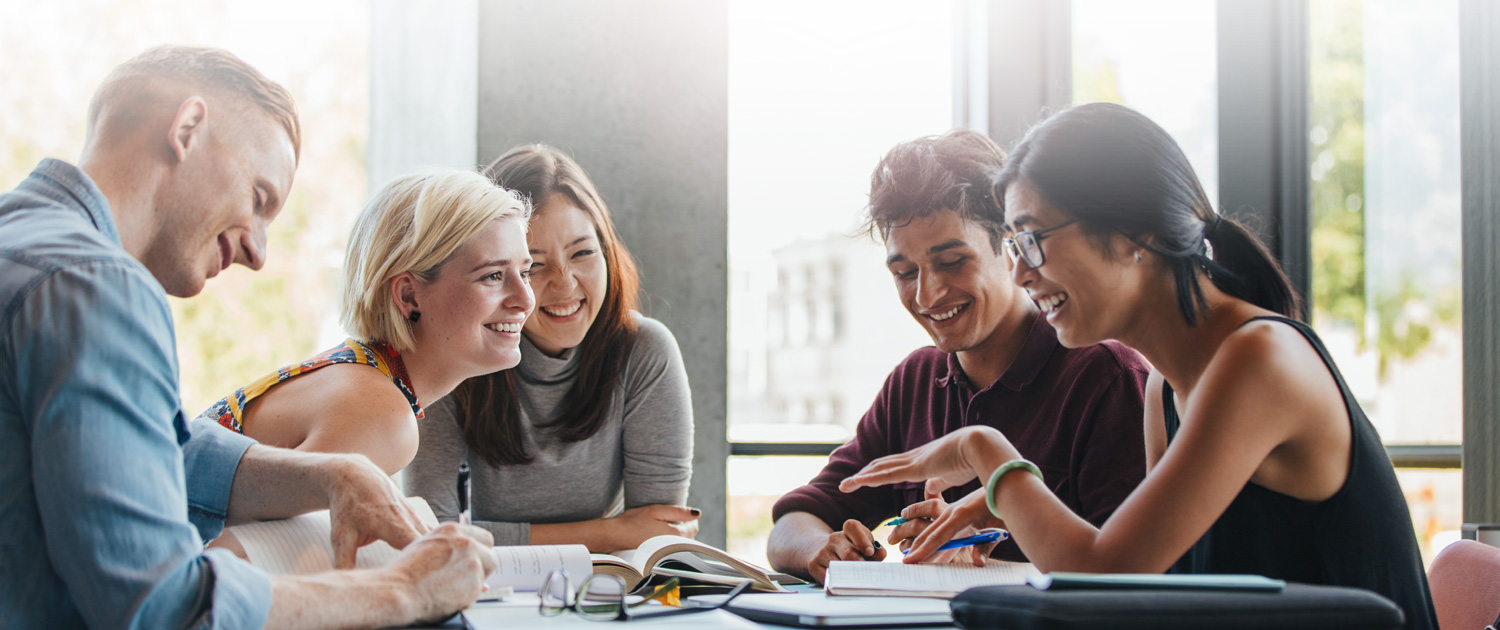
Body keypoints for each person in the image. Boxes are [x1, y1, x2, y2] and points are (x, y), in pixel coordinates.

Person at [840, 103, 1437, 630]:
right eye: (1016, 247)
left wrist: (985, 452)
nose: (1021, 273)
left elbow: (1104, 576)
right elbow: (1145, 591)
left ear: (1134, 234)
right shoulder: (1163, 389)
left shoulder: (1259, 360)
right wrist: (1004, 504)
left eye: (1033, 240)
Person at [0, 46, 498, 629]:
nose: (258, 253)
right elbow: (165, 608)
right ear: (187, 128)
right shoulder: (97, 286)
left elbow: (148, 450)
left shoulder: (25, 243)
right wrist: (402, 591)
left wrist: (335, 474)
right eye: (258, 200)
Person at [766, 129, 1152, 584]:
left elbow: (1129, 575)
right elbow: (795, 521)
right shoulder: (915, 382)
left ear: (1011, 248)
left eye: (951, 262)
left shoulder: (1105, 378)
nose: (927, 294)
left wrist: (988, 535)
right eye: (905, 272)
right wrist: (822, 549)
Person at [405, 144, 698, 552]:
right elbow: (432, 534)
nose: (564, 284)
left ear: (608, 251)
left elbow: (655, 535)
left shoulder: (644, 351)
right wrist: (608, 532)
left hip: (602, 596)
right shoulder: (452, 352)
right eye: (534, 266)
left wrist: (625, 536)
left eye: (582, 253)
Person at [196, 169, 535, 476]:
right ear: (408, 296)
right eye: (492, 276)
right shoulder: (381, 417)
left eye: (525, 272)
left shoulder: (366, 376)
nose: (526, 299)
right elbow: (244, 542)